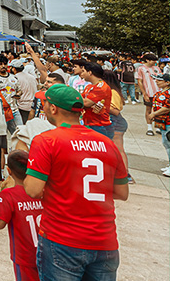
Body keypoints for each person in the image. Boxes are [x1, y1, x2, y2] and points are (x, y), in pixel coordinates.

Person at [25, 84, 128, 281]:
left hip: (62, 239)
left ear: (52, 108)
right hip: (105, 241)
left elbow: (32, 189)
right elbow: (122, 192)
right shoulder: (106, 142)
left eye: (45, 102)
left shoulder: (47, 140)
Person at [0, 150, 42, 281]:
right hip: (45, 252)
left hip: (24, 255)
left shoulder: (9, 195)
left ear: (9, 171)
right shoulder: (40, 191)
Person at [79, 62, 113, 140]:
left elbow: (85, 103)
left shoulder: (101, 87)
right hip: (90, 124)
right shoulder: (89, 86)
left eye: (83, 71)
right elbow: (80, 98)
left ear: (90, 72)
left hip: (99, 126)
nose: (82, 74)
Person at [144, 73, 170, 176]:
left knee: (168, 143)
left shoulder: (168, 93)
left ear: (167, 83)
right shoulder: (160, 93)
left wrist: (154, 113)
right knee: (166, 143)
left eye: (159, 80)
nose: (157, 82)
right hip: (161, 122)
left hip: (168, 122)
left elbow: (167, 107)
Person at [137, 53, 162, 135]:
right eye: (152, 60)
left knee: (158, 110)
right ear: (147, 60)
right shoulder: (141, 69)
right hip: (149, 92)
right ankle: (149, 127)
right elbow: (139, 81)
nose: (154, 62)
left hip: (158, 93)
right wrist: (144, 93)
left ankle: (158, 126)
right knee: (148, 109)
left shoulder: (157, 68)